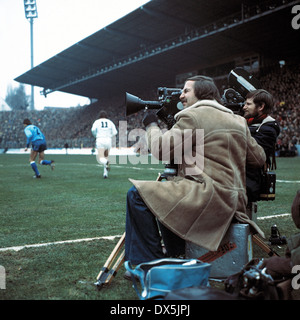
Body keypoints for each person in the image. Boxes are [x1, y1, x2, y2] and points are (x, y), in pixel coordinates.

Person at [124, 75, 266, 272]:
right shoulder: (238, 121)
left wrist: (151, 125)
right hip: (235, 201)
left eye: (185, 91)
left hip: (208, 196)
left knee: (137, 194)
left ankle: (149, 263)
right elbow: (259, 158)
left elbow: (160, 149)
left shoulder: (193, 116)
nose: (181, 95)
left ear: (201, 92)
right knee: (165, 195)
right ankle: (177, 253)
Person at [243, 89, 280, 202]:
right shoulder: (246, 121)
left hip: (250, 181)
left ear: (261, 107)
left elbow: (253, 152)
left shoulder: (269, 127)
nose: (244, 107)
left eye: (248, 104)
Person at [91, 110, 118, 178]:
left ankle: (106, 163)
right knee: (106, 156)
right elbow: (115, 132)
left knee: (101, 158)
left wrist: (96, 135)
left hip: (100, 139)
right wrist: (109, 136)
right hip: (108, 140)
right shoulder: (110, 122)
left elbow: (93, 130)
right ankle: (105, 174)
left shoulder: (97, 122)